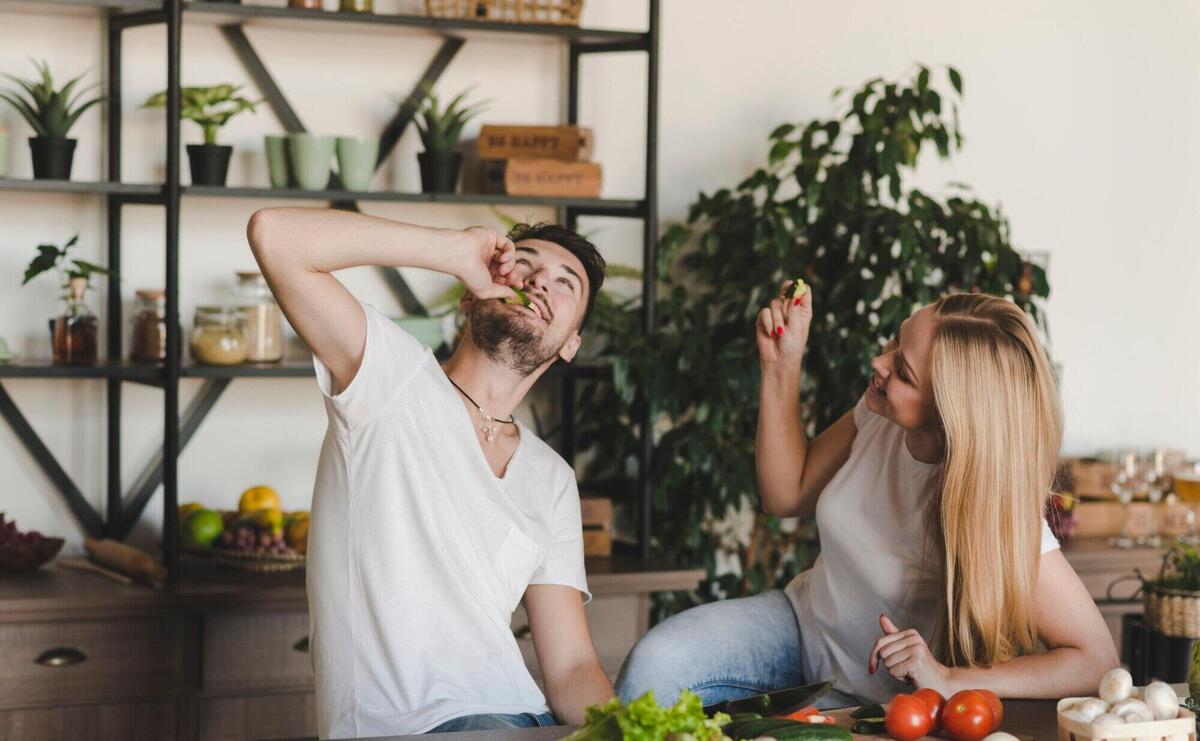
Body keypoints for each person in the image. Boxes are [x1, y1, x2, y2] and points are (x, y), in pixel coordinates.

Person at [616, 286, 1118, 709]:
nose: (880, 363)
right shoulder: (879, 413)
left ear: (952, 415)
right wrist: (781, 366)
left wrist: (949, 679)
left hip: (873, 700)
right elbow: (786, 493)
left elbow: (1096, 660)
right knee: (654, 666)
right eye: (896, 344)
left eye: (904, 372)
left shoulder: (994, 513)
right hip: (799, 627)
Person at [247, 208, 613, 738]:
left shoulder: (552, 478)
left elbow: (572, 666)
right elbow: (274, 236)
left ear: (571, 342)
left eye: (565, 284)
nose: (538, 283)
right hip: (409, 726)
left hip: (524, 720)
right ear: (471, 292)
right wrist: (451, 250)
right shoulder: (389, 377)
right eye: (524, 265)